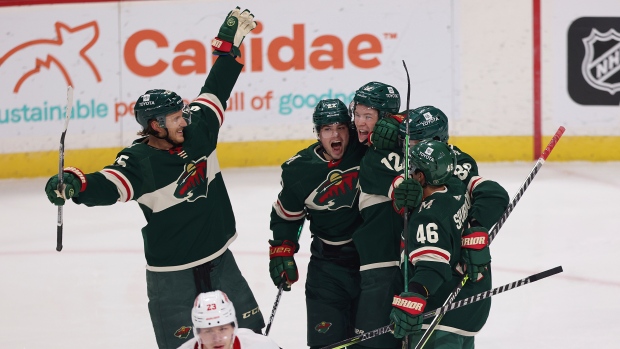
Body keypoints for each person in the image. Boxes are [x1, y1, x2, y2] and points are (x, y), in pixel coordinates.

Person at [43, 7, 265, 348]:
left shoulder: (198, 129)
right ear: (154, 126)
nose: (183, 121)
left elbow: (216, 89)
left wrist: (227, 50)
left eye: (182, 114)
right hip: (171, 274)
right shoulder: (139, 161)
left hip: (219, 260)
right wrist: (75, 183)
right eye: (174, 118)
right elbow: (108, 183)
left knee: (249, 337)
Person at [268, 98, 366, 349]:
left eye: (341, 128)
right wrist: (282, 248)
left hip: (370, 261)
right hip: (328, 266)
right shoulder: (299, 170)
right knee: (326, 343)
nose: (336, 135)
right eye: (327, 129)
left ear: (350, 129)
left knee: (370, 342)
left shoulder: (367, 149)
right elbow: (286, 216)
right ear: (318, 133)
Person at [373, 105, 509, 283]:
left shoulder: (457, 163)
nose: (408, 150)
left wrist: (475, 228)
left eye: (414, 143)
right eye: (405, 142)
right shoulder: (412, 159)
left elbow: (492, 196)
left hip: (449, 268)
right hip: (416, 258)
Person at [389, 140, 492, 349]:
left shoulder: (428, 217)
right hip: (467, 316)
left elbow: (433, 267)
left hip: (438, 322)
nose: (408, 174)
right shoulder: (455, 187)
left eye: (412, 170)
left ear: (421, 176)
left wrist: (414, 297)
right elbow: (494, 192)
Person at [350, 81, 404, 349]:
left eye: (368, 116)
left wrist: (398, 123)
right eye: (357, 114)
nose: (360, 122)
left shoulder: (404, 143)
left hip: (393, 261)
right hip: (375, 260)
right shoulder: (365, 151)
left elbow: (429, 119)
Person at [178, 290, 281, 349]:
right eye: (208, 331)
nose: (217, 339)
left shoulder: (261, 345)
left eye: (223, 329)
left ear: (233, 328)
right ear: (198, 333)